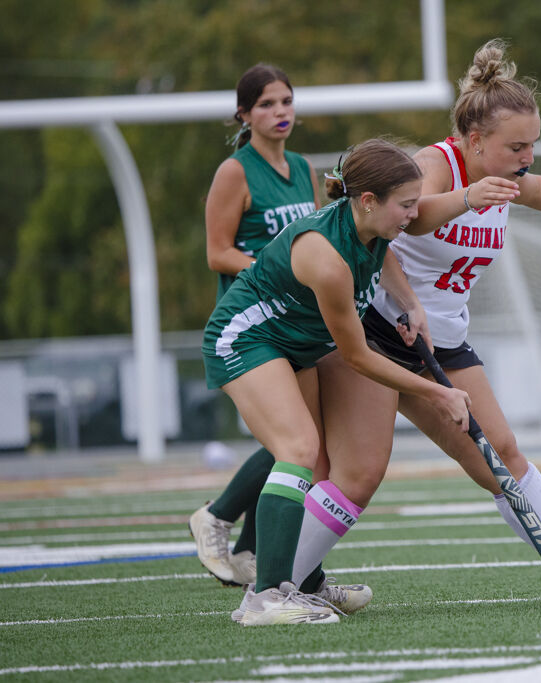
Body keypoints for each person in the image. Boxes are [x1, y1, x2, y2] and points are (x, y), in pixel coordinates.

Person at [303, 39, 541, 605]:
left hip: (443, 342)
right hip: (375, 330)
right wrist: (469, 195)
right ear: (474, 141)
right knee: (359, 475)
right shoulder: (430, 165)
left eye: (533, 144)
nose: (528, 157)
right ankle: (281, 584)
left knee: (505, 454)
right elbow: (408, 222)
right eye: (516, 145)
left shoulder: (506, 178)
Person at [201, 137, 471, 625]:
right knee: (299, 449)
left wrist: (410, 303)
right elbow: (357, 357)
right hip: (246, 340)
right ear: (368, 201)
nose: (413, 216)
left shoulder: (373, 227)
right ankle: (264, 599)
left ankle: (304, 584)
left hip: (295, 344)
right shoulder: (325, 258)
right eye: (406, 205)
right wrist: (437, 391)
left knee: (318, 458)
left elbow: (384, 253)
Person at [189, 64, 321, 590]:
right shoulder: (234, 171)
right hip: (253, 323)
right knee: (295, 442)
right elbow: (217, 252)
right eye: (266, 104)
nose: (280, 111)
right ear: (244, 114)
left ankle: (247, 549)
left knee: (307, 441)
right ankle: (217, 516)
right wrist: (279, 268)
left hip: (298, 322)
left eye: (286, 100)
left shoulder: (304, 167)